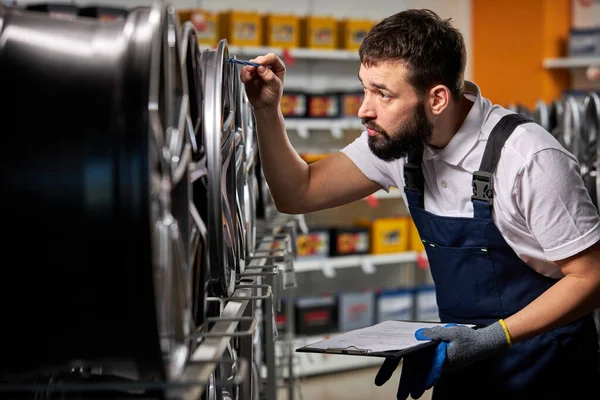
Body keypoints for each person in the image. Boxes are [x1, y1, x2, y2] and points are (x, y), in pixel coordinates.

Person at [240, 8, 600, 400]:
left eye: (383, 94)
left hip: (549, 369)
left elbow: (592, 277)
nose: (364, 109)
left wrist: (493, 338)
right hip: (463, 361)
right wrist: (266, 111)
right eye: (365, 88)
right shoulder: (399, 147)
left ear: (438, 99)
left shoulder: (528, 159)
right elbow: (298, 192)